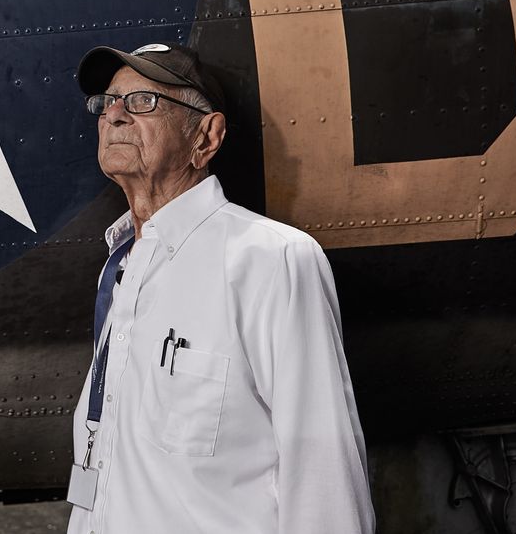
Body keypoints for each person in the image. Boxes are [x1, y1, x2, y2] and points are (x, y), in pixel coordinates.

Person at [66, 42, 373, 534]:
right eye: (108, 102)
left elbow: (323, 472)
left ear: (205, 138)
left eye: (143, 101)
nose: (115, 115)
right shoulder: (119, 267)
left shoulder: (270, 258)